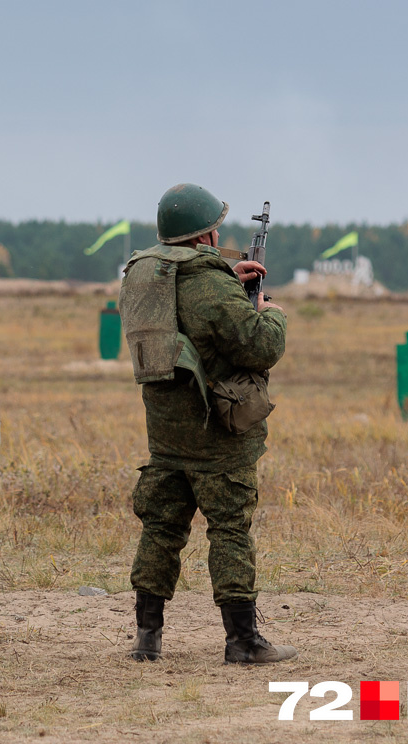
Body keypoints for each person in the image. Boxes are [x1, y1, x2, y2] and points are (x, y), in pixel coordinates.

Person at [124, 182, 295, 665]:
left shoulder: (143, 276)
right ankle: (242, 640)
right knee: (230, 532)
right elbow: (260, 346)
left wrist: (226, 278)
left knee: (160, 529)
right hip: (218, 434)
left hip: (166, 433)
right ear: (205, 237)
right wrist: (271, 314)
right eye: (216, 231)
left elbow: (189, 314)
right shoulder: (211, 283)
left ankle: (147, 638)